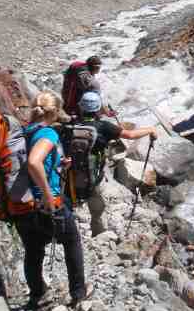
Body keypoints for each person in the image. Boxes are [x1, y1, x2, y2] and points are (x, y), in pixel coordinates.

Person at [12, 91, 91, 311]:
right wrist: (48, 196)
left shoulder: (24, 132)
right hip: (47, 204)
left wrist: (59, 165)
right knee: (72, 242)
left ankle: (38, 297)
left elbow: (35, 162)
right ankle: (78, 293)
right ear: (54, 111)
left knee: (34, 250)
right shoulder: (48, 133)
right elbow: (34, 162)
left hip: (23, 204)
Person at [66, 91, 159, 237]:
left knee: (72, 202)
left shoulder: (72, 124)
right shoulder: (104, 126)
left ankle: (69, 232)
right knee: (97, 207)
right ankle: (99, 235)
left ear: (81, 108)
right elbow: (130, 135)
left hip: (71, 175)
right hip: (93, 177)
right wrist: (151, 129)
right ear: (98, 109)